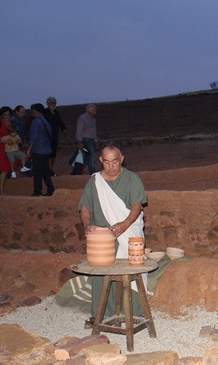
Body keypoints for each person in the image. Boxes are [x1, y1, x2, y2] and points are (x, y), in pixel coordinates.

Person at [78, 141, 148, 327]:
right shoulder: (94, 181)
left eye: (115, 161)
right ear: (101, 160)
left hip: (127, 234)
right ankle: (100, 315)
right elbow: (85, 206)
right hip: (102, 237)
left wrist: (125, 224)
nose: (111, 166)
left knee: (129, 273)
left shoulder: (132, 179)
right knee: (100, 276)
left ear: (121, 159)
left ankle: (132, 314)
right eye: (106, 162)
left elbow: (136, 206)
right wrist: (87, 224)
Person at [27, 103, 54, 197]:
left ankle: (37, 191)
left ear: (35, 111)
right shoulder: (46, 121)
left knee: (37, 172)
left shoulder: (36, 122)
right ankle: (50, 189)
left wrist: (29, 149)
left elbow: (33, 137)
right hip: (46, 150)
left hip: (38, 150)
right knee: (45, 171)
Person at [43, 97, 68, 176]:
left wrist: (66, 133)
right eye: (51, 102)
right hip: (46, 138)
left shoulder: (57, 113)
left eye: (54, 103)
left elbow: (61, 124)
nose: (53, 104)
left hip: (54, 137)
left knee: (53, 154)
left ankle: (50, 169)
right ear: (47, 103)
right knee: (47, 154)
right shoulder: (45, 113)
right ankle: (48, 170)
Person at [0, 107, 14, 194]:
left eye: (8, 114)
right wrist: (2, 138)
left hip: (9, 147)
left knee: (7, 168)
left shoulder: (11, 122)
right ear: (2, 115)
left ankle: (2, 190)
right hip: (1, 148)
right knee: (4, 169)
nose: (7, 116)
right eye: (5, 114)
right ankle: (1, 191)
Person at [76, 104, 98, 174]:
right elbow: (78, 130)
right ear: (89, 110)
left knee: (86, 157)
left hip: (91, 140)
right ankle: (92, 171)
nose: (95, 112)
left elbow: (94, 130)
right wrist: (79, 142)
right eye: (94, 110)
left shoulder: (93, 119)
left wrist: (96, 141)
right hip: (86, 140)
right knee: (91, 156)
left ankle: (77, 170)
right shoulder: (82, 118)